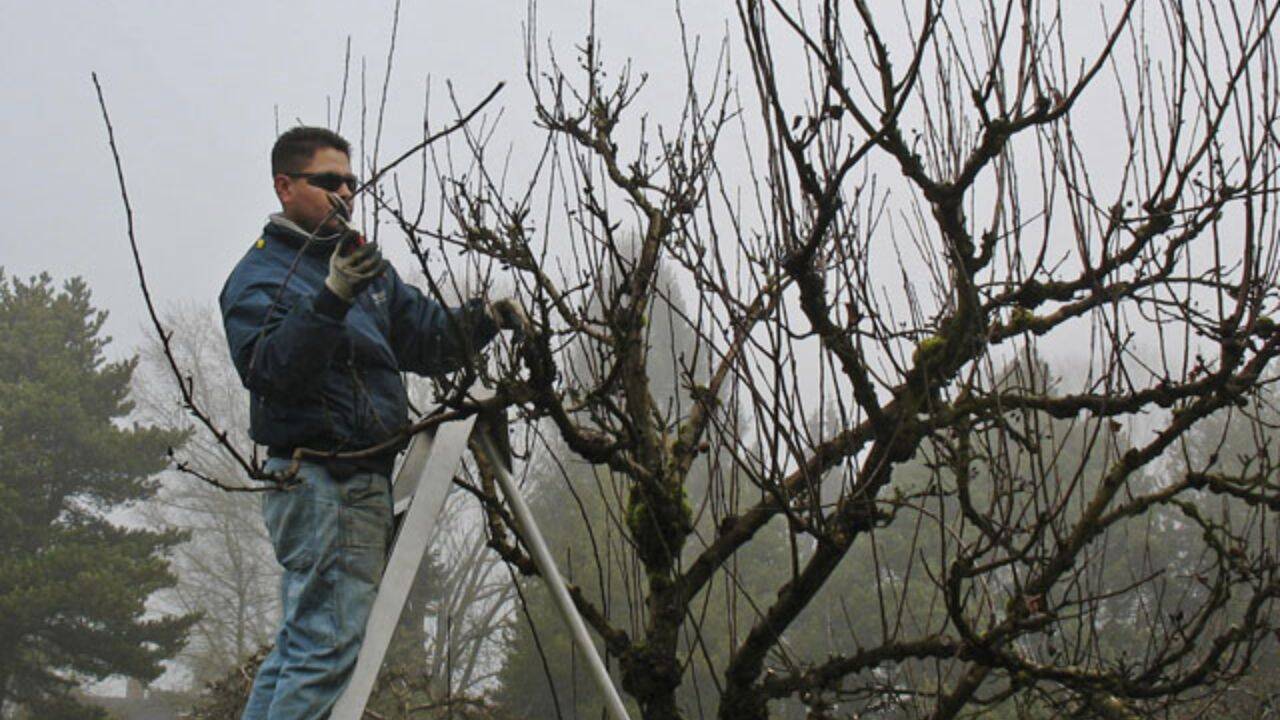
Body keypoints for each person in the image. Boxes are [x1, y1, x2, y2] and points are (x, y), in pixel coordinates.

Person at [220, 126, 526, 719]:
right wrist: (332, 296)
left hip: (350, 483)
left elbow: (429, 340)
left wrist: (486, 318)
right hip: (322, 482)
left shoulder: (360, 266)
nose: (345, 193)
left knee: (300, 648)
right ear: (285, 186)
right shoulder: (260, 277)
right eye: (327, 181)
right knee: (326, 651)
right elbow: (272, 370)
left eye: (351, 182)